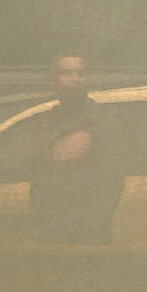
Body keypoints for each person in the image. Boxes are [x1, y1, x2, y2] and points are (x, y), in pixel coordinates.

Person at [29, 53, 123, 245]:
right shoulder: (45, 122)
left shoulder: (103, 124)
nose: (75, 80)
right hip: (48, 230)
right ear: (52, 81)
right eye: (66, 73)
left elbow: (111, 182)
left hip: (86, 235)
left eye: (81, 73)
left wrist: (91, 229)